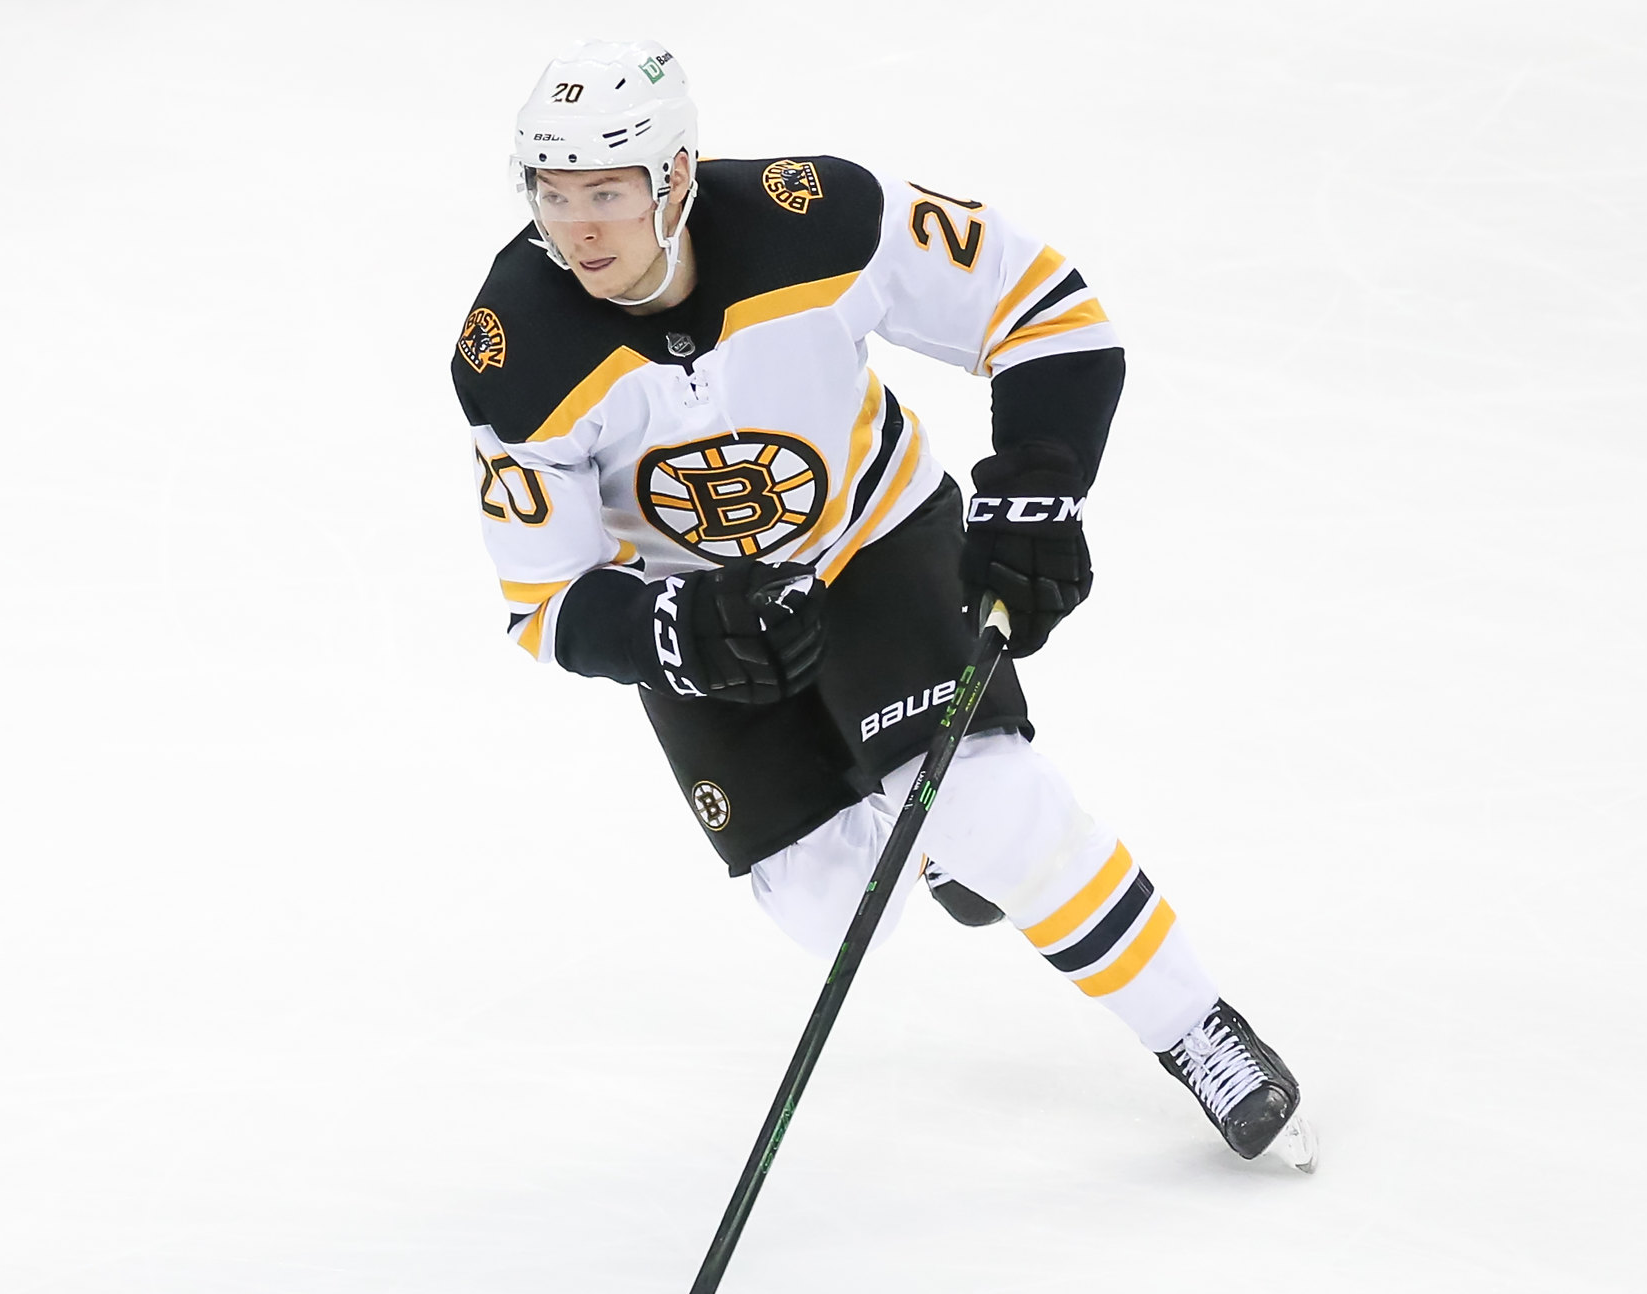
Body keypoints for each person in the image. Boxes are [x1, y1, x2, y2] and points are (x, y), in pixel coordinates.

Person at [451, 40, 1314, 1167]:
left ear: (674, 177)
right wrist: (677, 629)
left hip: (869, 534)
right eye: (552, 196)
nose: (578, 228)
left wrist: (1039, 485)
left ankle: (1193, 1024)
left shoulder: (816, 216)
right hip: (706, 610)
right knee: (823, 907)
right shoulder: (512, 351)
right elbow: (545, 600)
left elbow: (1040, 302)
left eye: (606, 193)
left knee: (986, 804)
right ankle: (925, 829)